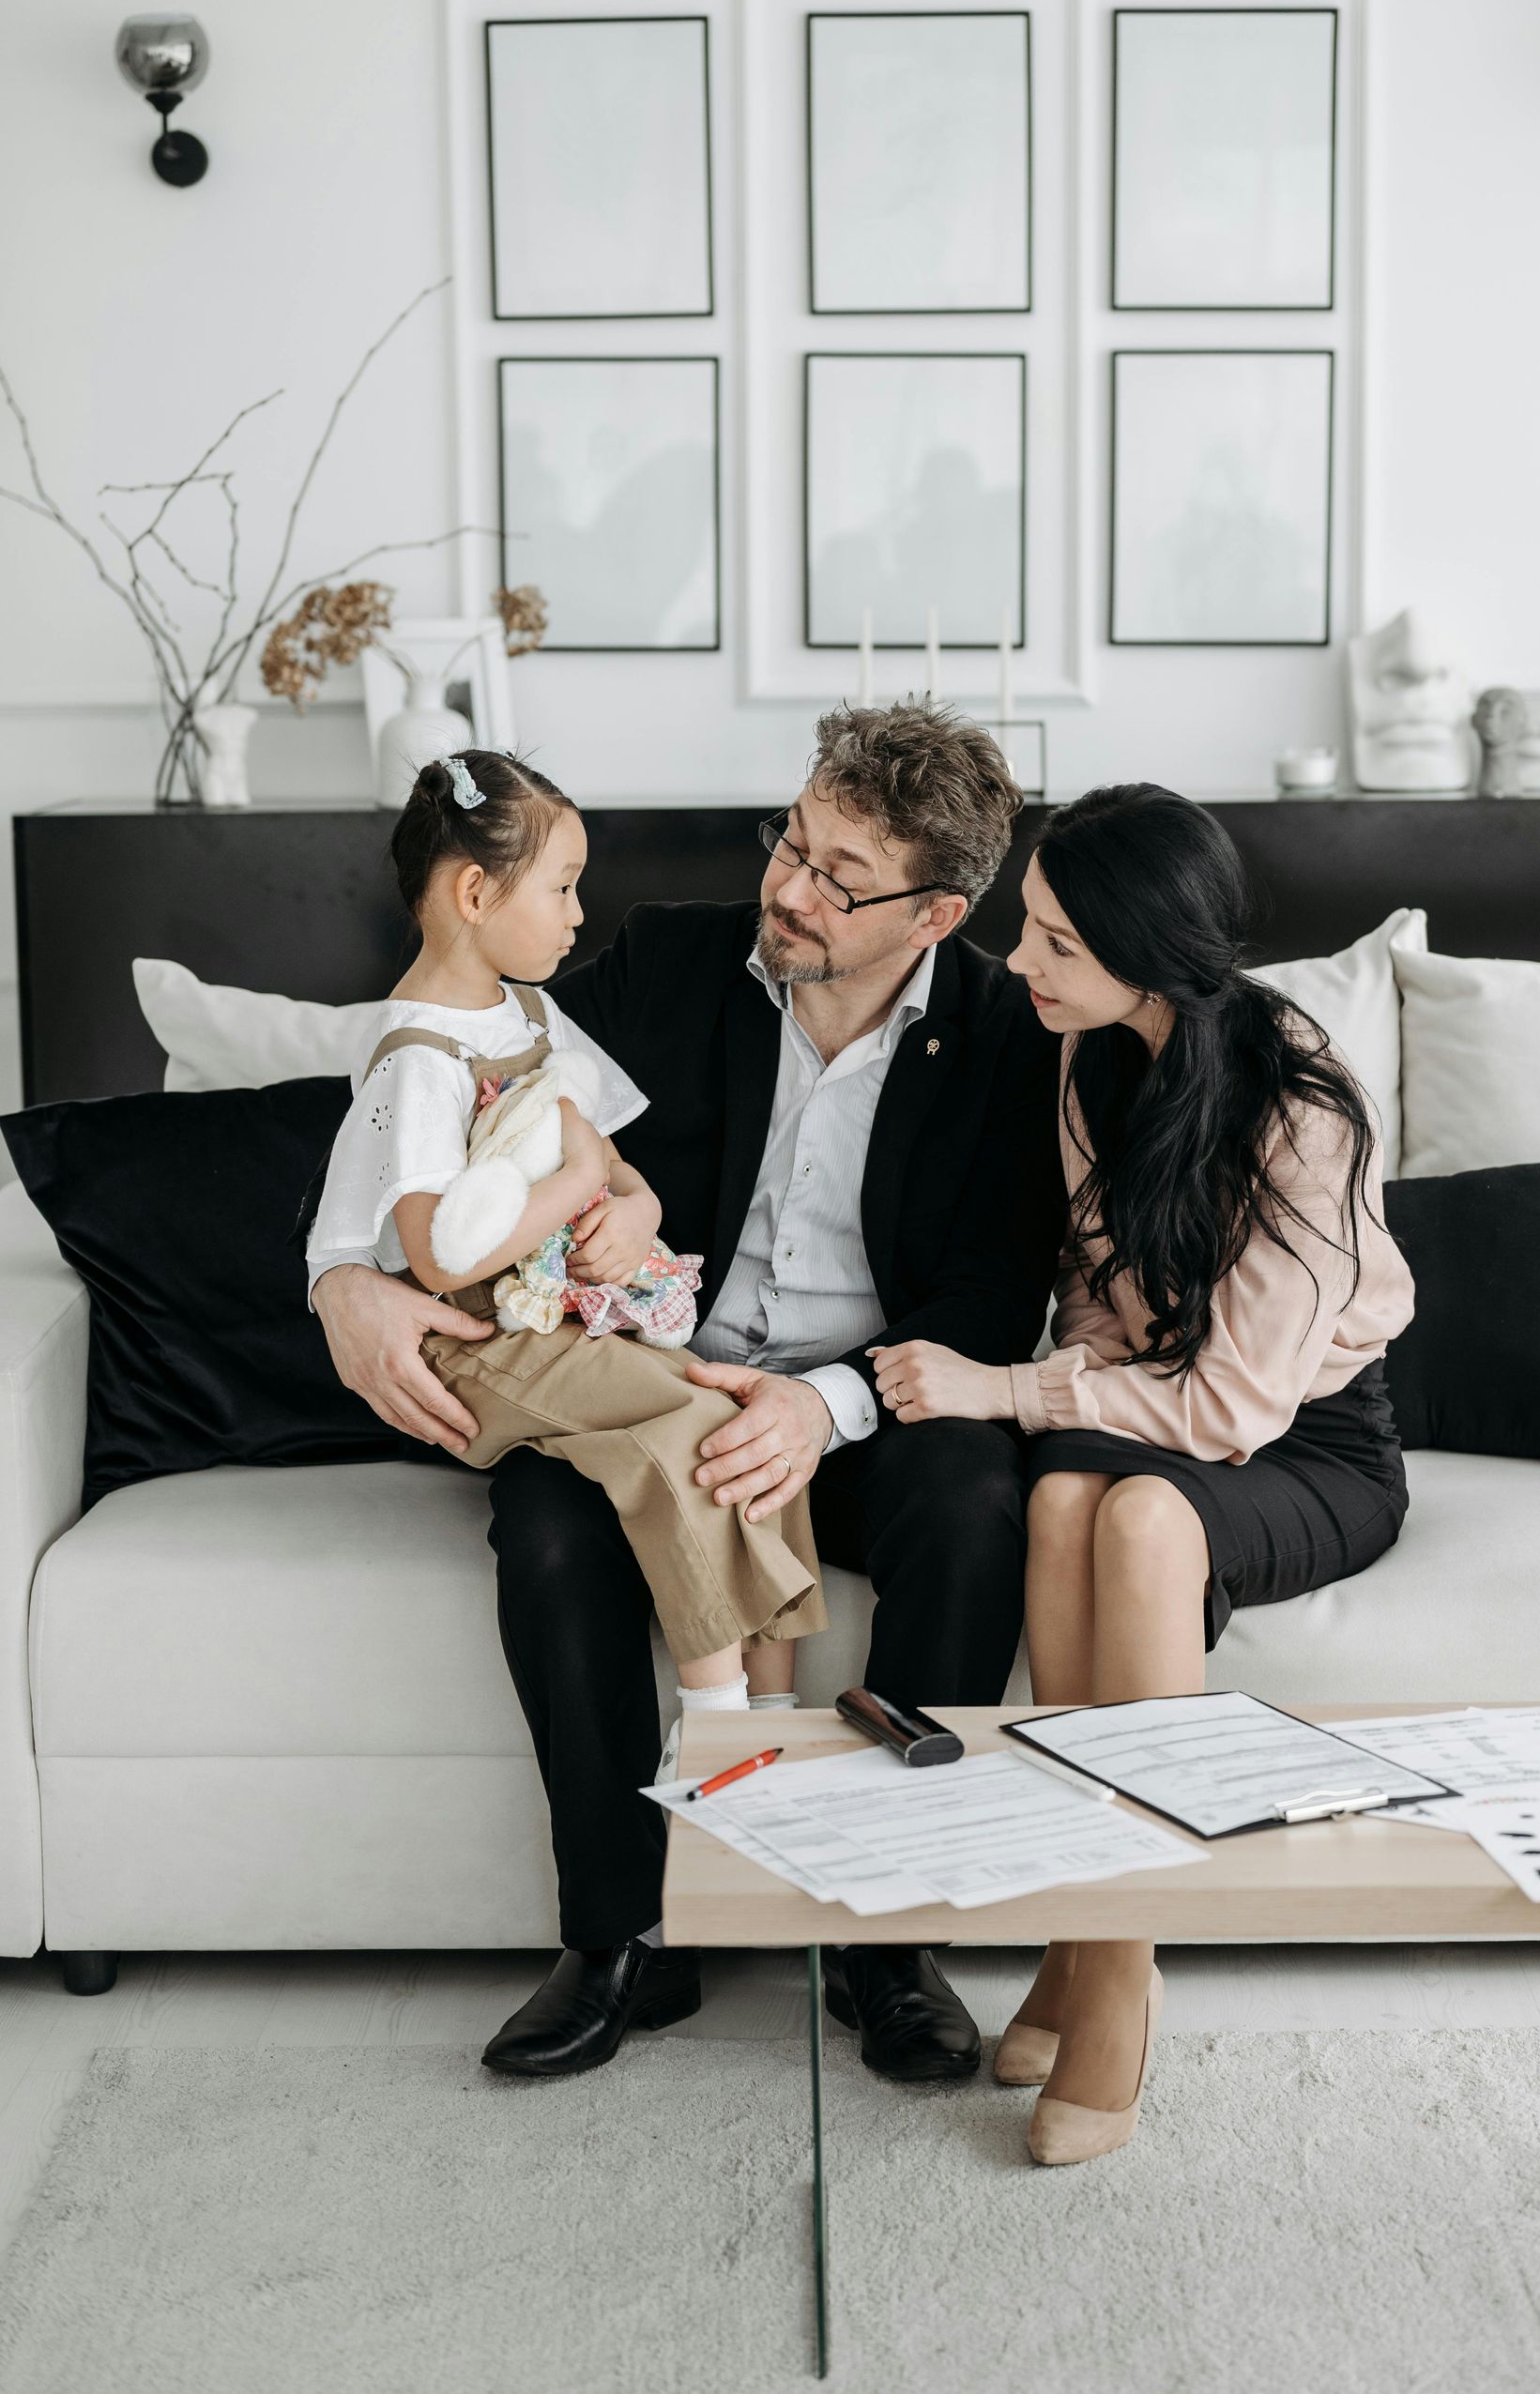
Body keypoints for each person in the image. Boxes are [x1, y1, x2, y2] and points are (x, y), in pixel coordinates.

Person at [312, 703, 1065, 2082]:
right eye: (794, 840)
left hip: (859, 1400)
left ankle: (890, 1942)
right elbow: (432, 1090)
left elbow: (993, 1296)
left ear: (939, 913)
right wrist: (338, 1277)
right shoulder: (667, 958)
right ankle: (622, 1939)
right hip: (644, 1375)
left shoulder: (1011, 1040)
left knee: (971, 1505)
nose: (789, 888)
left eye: (843, 880)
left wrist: (818, 1406)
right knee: (545, 1521)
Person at [869, 784, 1415, 2164]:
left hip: (1312, 1440)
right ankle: (1083, 1918)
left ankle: (1118, 1963)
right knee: (1061, 1499)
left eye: (1054, 940)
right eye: (1026, 929)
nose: (1020, 963)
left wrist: (1000, 1388)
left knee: (1149, 1521)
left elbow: (1235, 1403)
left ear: (1145, 946)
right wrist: (1057, 1391)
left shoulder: (1300, 1102)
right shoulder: (1088, 1055)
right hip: (1155, 1408)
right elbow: (1098, 1313)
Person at [306, 750, 825, 1730]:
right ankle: (721, 1725)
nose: (580, 913)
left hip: (550, 1316)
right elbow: (441, 1255)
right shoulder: (418, 1059)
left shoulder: (533, 1012)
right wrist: (582, 1183)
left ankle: (777, 1705)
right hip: (477, 1341)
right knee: (709, 1427)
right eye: (562, 887)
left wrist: (631, 1205)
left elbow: (613, 1154)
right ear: (473, 891)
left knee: (745, 1423)